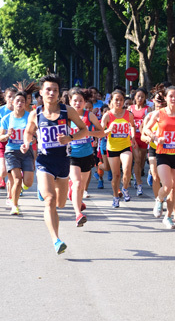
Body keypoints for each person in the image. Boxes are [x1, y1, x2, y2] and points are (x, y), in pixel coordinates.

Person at [21, 75, 90, 254]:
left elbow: (84, 130)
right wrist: (27, 143)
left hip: (63, 161)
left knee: (60, 203)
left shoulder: (67, 111)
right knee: (49, 200)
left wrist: (70, 138)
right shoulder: (35, 113)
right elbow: (28, 132)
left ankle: (50, 191)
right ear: (42, 93)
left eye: (55, 90)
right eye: (48, 90)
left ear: (59, 93)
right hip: (44, 161)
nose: (51, 93)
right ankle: (56, 240)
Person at [143, 86, 175, 229]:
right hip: (163, 154)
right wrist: (155, 138)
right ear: (166, 98)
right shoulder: (159, 113)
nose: (174, 99)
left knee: (174, 188)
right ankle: (159, 199)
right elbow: (146, 129)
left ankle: (168, 217)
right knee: (167, 185)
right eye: (171, 96)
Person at [67, 88, 105, 221]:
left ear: (84, 102)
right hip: (71, 154)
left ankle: (74, 193)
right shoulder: (66, 116)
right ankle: (78, 214)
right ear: (69, 101)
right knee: (77, 183)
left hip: (87, 154)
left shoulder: (89, 115)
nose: (77, 103)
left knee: (81, 186)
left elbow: (102, 132)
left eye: (80, 101)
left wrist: (89, 133)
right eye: (75, 100)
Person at [0, 92, 34, 215]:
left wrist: (30, 141)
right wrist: (7, 135)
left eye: (22, 101)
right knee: (17, 180)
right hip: (11, 152)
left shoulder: (30, 117)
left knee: (28, 182)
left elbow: (34, 135)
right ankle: (14, 205)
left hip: (26, 151)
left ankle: (22, 188)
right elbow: (0, 137)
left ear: (25, 104)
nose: (20, 103)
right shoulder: (6, 119)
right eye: (17, 101)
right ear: (13, 102)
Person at [101, 90, 136, 208]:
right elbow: (100, 132)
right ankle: (115, 196)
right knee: (115, 175)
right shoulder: (107, 115)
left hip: (125, 146)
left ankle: (125, 188)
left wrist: (133, 136)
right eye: (116, 99)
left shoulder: (128, 114)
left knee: (127, 169)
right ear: (111, 101)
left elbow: (132, 126)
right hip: (112, 148)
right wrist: (108, 130)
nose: (119, 102)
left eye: (121, 100)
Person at [128, 88, 150, 196]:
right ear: (134, 97)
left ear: (145, 98)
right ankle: (138, 182)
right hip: (133, 137)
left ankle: (137, 175)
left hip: (143, 137)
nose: (140, 99)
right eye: (138, 96)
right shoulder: (130, 108)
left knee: (141, 161)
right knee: (136, 159)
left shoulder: (148, 109)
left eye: (142, 96)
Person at [0, 86, 17, 193]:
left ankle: (11, 195)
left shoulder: (20, 111)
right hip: (2, 141)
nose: (11, 99)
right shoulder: (1, 110)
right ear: (5, 97)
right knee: (3, 172)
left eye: (13, 97)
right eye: (9, 96)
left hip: (15, 143)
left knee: (11, 173)